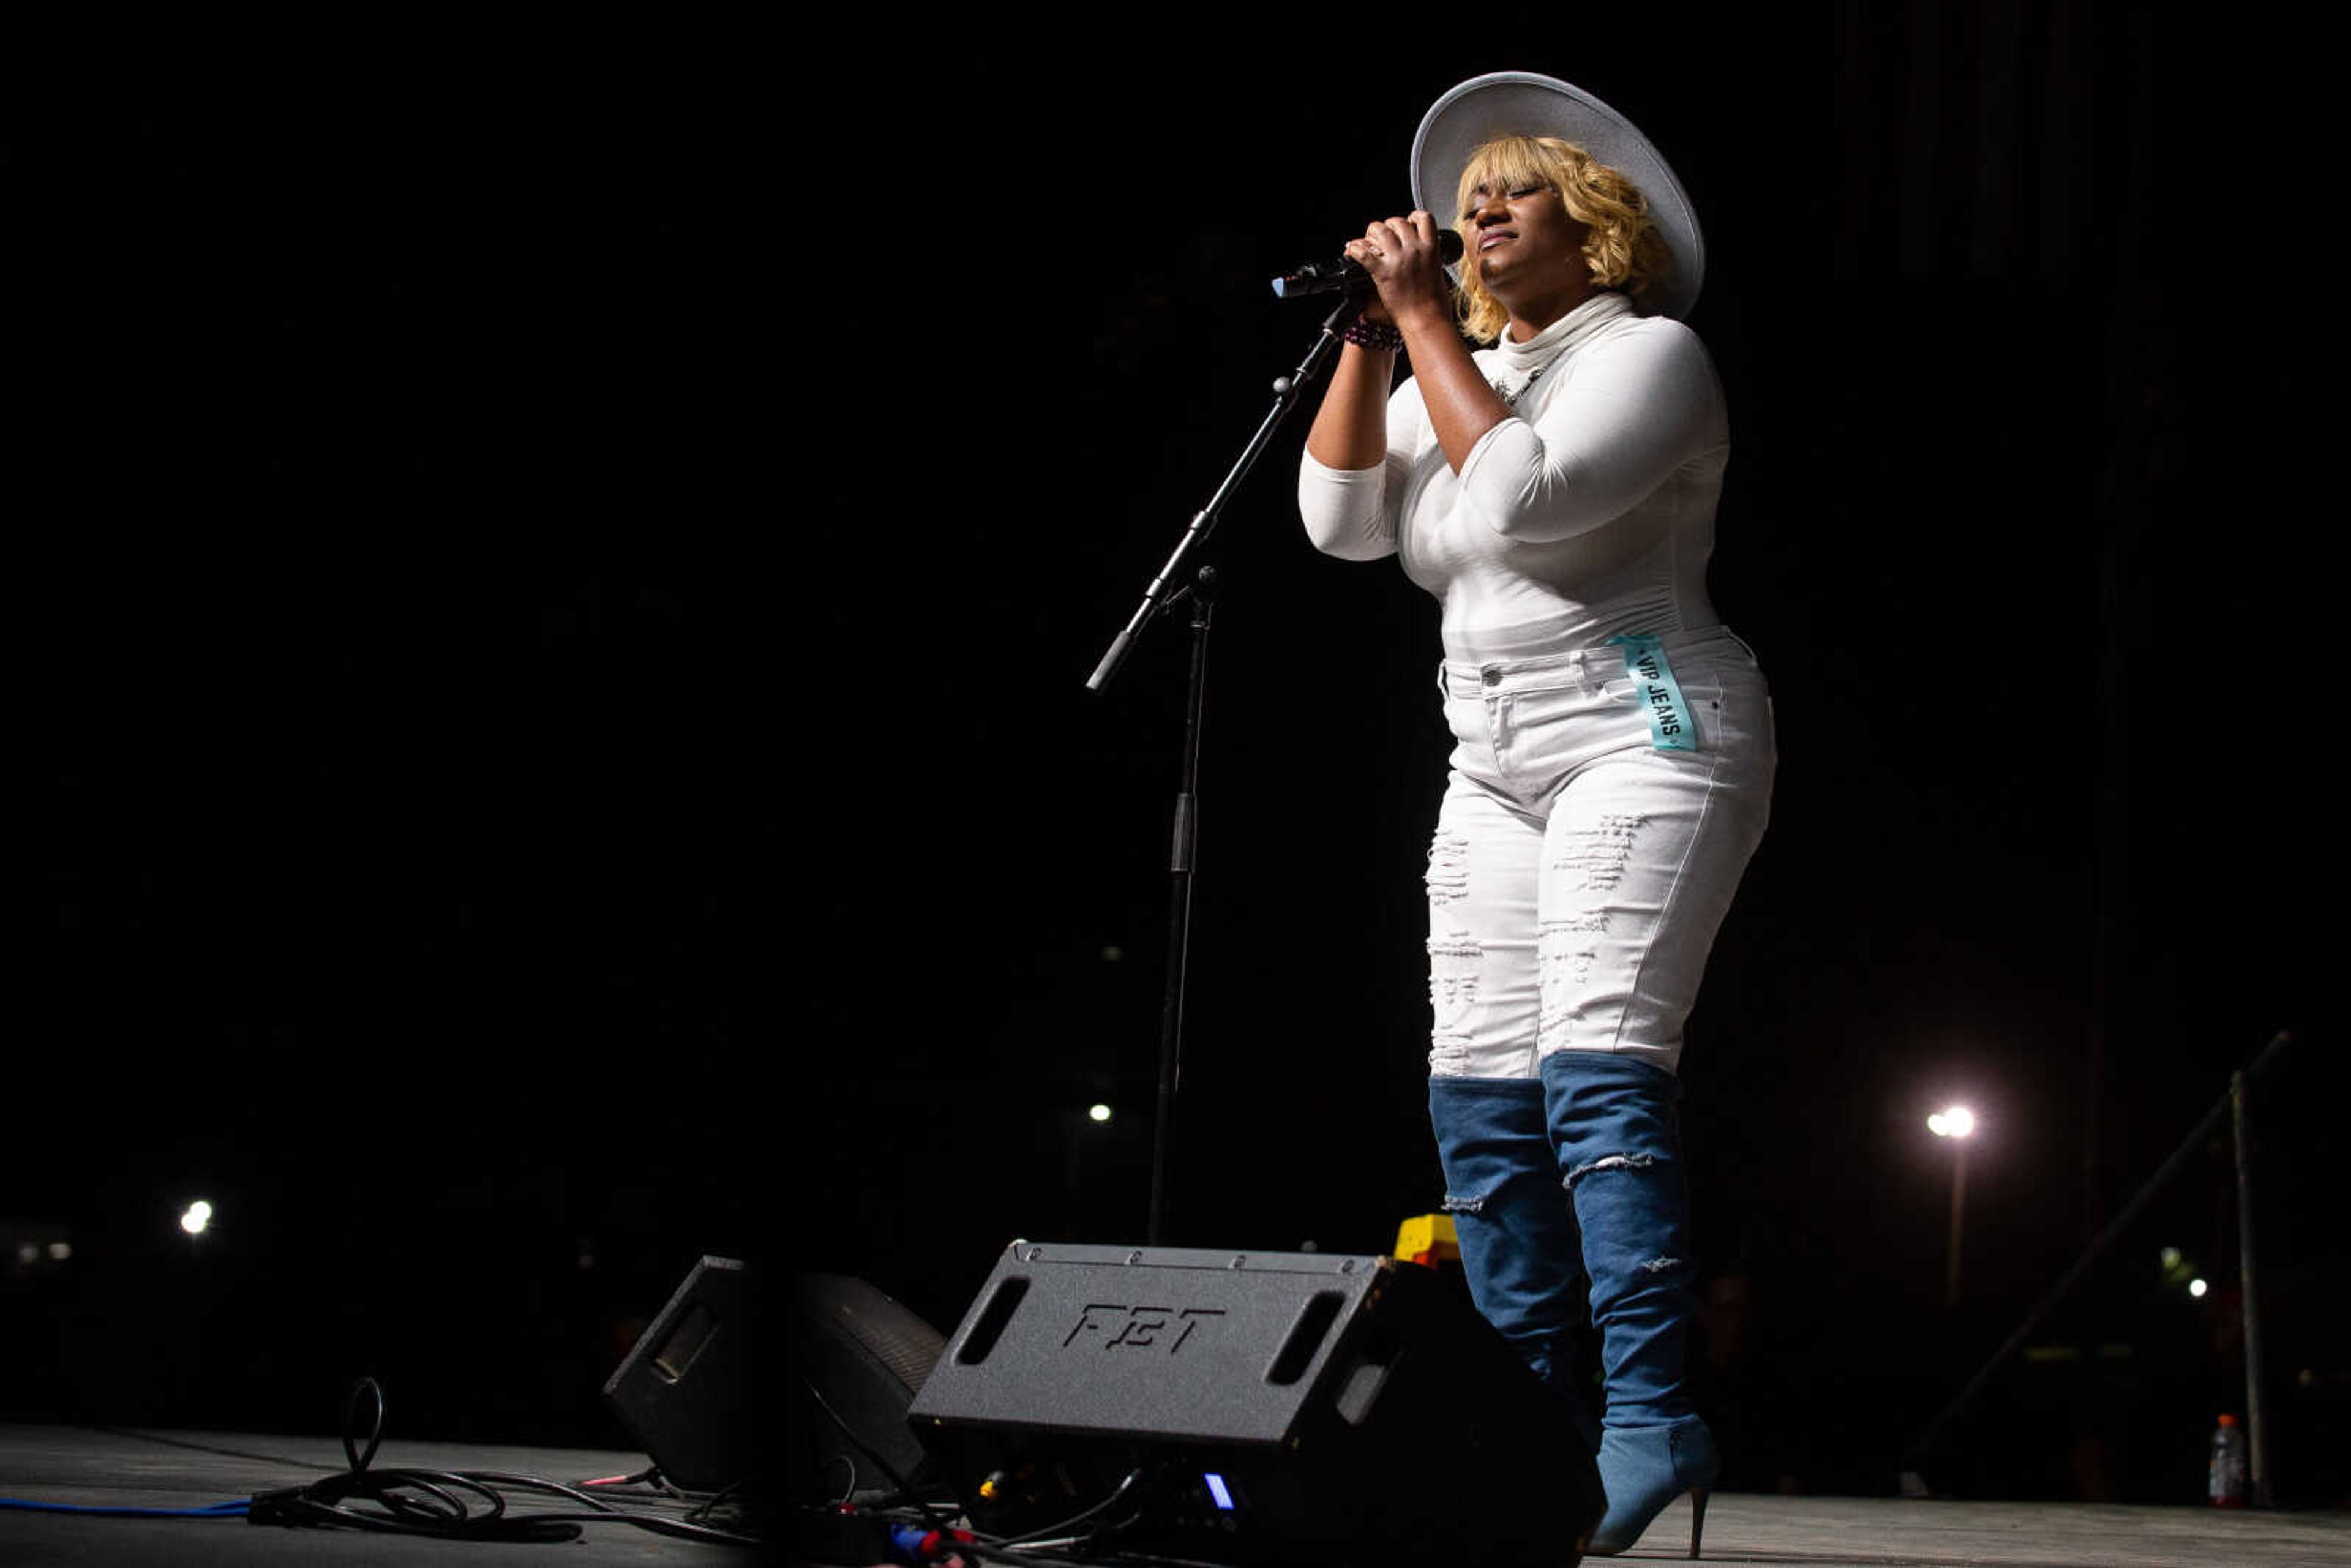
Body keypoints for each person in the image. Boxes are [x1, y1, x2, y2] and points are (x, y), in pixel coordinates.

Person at [1296, 72, 1774, 1558]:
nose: (1478, 213)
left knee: (1597, 1071)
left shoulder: (1653, 356)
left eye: (1517, 193)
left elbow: (1521, 506)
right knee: (1481, 1100)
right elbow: (1346, 523)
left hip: (1647, 734)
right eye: (1468, 198)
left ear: (1599, 226)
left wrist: (1429, 319)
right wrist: (1377, 343)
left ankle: (1649, 1412)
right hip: (1495, 765)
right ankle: (1529, 1425)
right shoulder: (1456, 366)